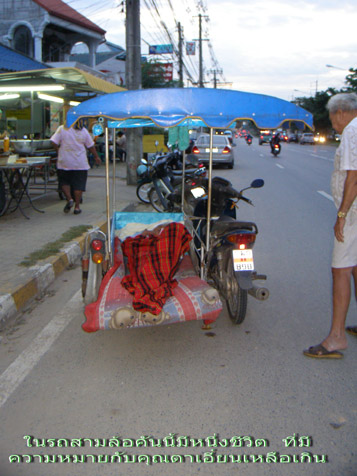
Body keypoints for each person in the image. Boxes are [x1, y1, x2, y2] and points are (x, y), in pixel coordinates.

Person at [304, 92, 357, 359]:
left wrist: (342, 214)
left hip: (355, 213)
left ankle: (336, 337)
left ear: (340, 113)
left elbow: (354, 177)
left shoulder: (351, 131)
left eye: (332, 117)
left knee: (341, 270)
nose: (332, 123)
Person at [50, 120, 101, 215]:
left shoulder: (62, 128)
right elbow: (90, 146)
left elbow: (53, 141)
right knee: (79, 184)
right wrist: (96, 156)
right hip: (80, 163)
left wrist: (58, 150)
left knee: (64, 182)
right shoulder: (84, 131)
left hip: (64, 161)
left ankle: (69, 199)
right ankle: (77, 207)